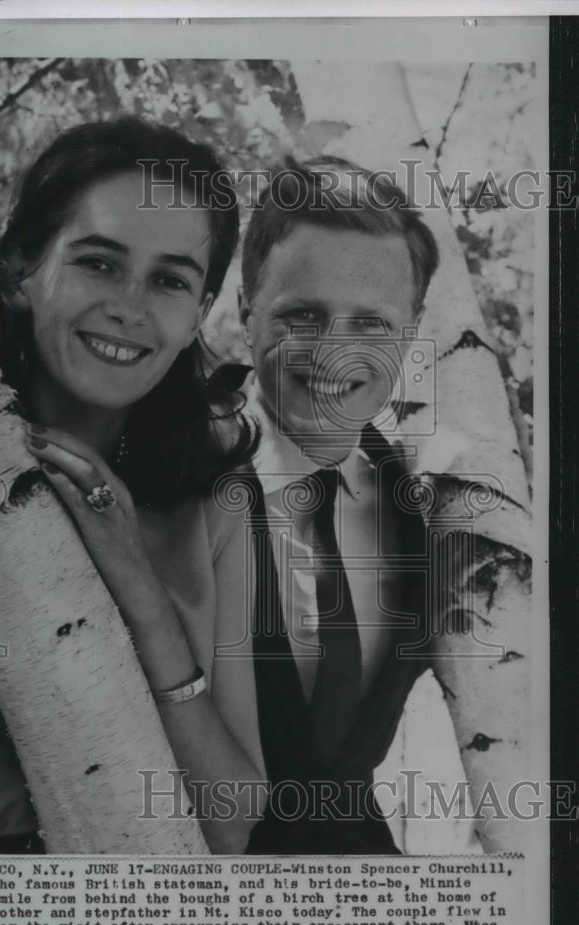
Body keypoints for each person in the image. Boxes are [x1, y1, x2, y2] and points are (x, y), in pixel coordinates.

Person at [0, 117, 266, 855]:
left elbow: (229, 820)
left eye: (169, 281)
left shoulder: (211, 498)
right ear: (20, 271)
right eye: (98, 262)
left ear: (197, 317)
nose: (130, 305)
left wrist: (138, 587)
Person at [233, 155, 441, 854]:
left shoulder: (430, 512)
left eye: (372, 324)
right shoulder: (172, 484)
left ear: (411, 331)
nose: (334, 353)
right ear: (244, 311)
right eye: (303, 314)